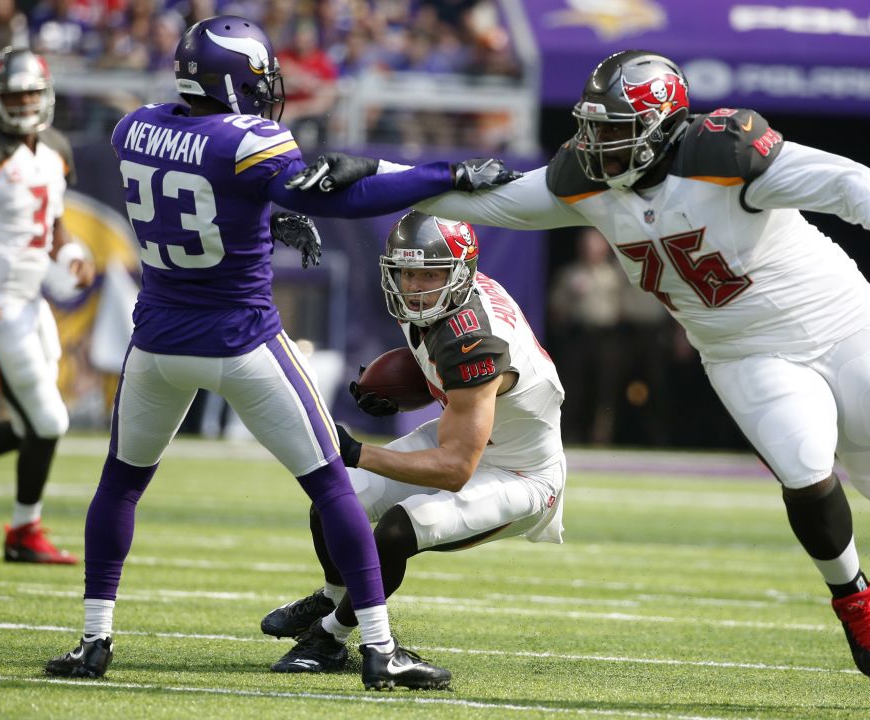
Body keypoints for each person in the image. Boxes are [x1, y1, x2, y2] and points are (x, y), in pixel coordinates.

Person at [304, 50, 870, 713]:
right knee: (807, 472)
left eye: (613, 130)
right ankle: (853, 596)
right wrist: (377, 171)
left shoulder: (725, 154)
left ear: (661, 126)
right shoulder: (588, 181)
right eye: (592, 128)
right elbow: (487, 202)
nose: (594, 144)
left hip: (841, 324)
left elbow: (845, 180)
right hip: (743, 351)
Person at [42, 15, 520, 689]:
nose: (270, 91)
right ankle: (380, 649)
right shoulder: (249, 141)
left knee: (120, 484)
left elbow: (203, 191)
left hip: (156, 343)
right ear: (237, 81)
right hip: (240, 340)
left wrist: (265, 210)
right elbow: (344, 197)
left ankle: (93, 642)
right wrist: (444, 173)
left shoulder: (134, 127)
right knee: (332, 486)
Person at [258, 211, 565, 687]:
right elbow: (449, 374)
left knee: (400, 527)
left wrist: (356, 450)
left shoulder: (475, 341)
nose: (418, 285)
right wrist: (411, 387)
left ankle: (329, 635)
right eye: (409, 272)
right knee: (333, 500)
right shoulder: (446, 296)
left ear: (459, 274)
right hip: (467, 432)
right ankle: (333, 594)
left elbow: (456, 468)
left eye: (431, 274)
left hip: (519, 472)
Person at [0, 46, 95, 565]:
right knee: (48, 422)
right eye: (14, 95)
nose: (23, 103)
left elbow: (55, 222)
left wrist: (70, 251)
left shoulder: (55, 148)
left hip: (30, 298)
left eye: (31, 93)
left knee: (30, 427)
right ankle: (24, 533)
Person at [547, 228, 624, 444]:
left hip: (607, 337)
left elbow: (625, 305)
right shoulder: (570, 274)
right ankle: (571, 433)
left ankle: (601, 436)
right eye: (588, 245)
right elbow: (556, 308)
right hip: (578, 336)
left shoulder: (614, 274)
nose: (592, 249)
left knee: (605, 388)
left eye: (597, 245)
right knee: (573, 387)